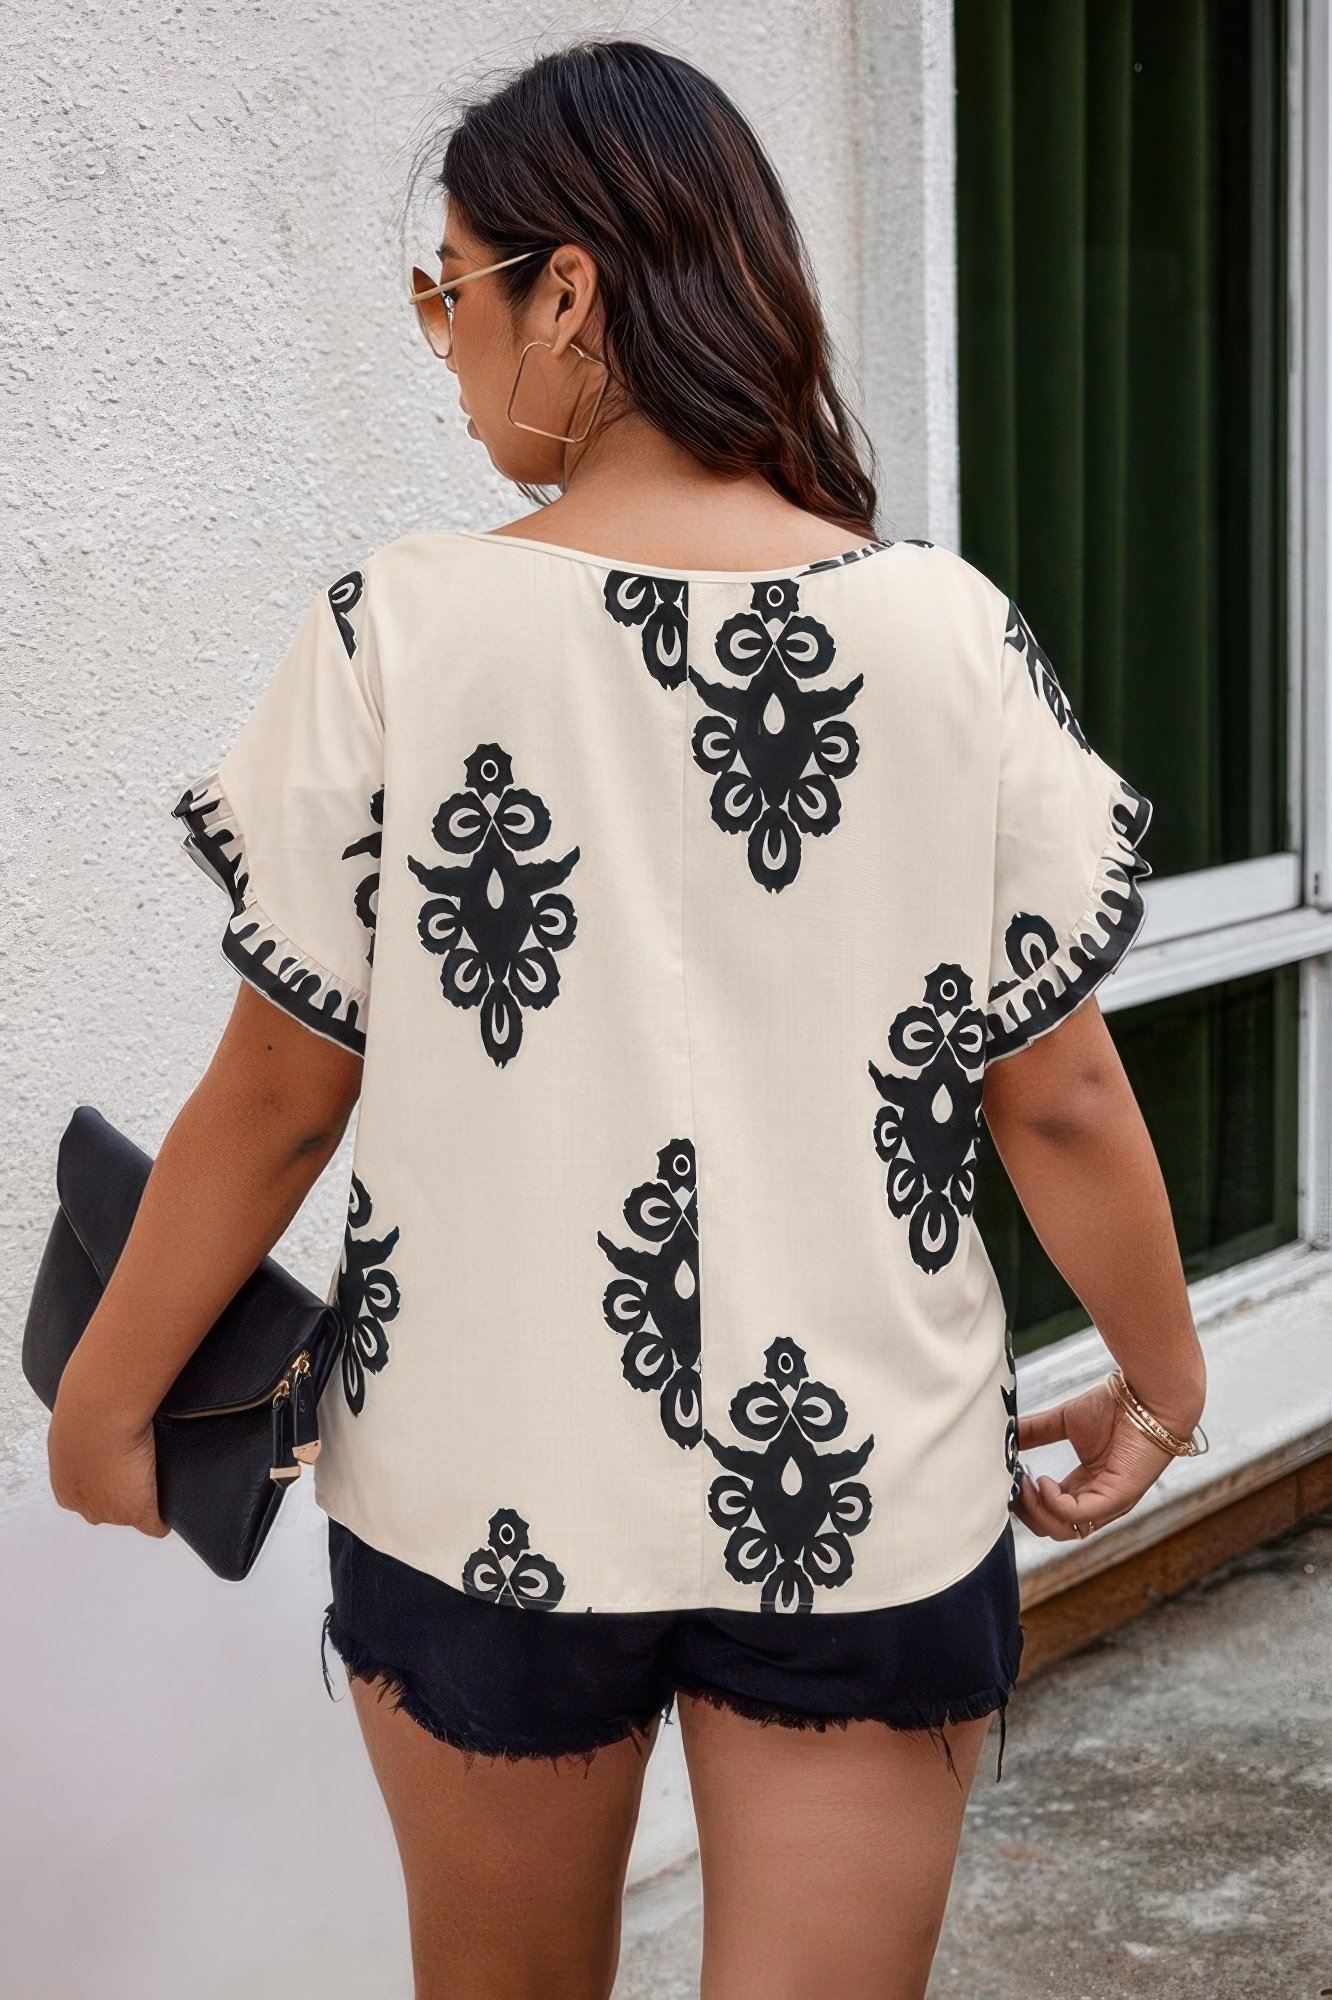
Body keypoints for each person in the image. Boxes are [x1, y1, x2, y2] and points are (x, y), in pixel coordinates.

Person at [45, 36, 1207, 2000]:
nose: (445, 346)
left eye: (450, 292)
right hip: (860, 1493)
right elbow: (1064, 1092)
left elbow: (279, 1096)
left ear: (566, 293)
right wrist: (1162, 1384)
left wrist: (103, 1400)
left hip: (482, 1485)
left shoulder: (397, 631)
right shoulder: (947, 633)